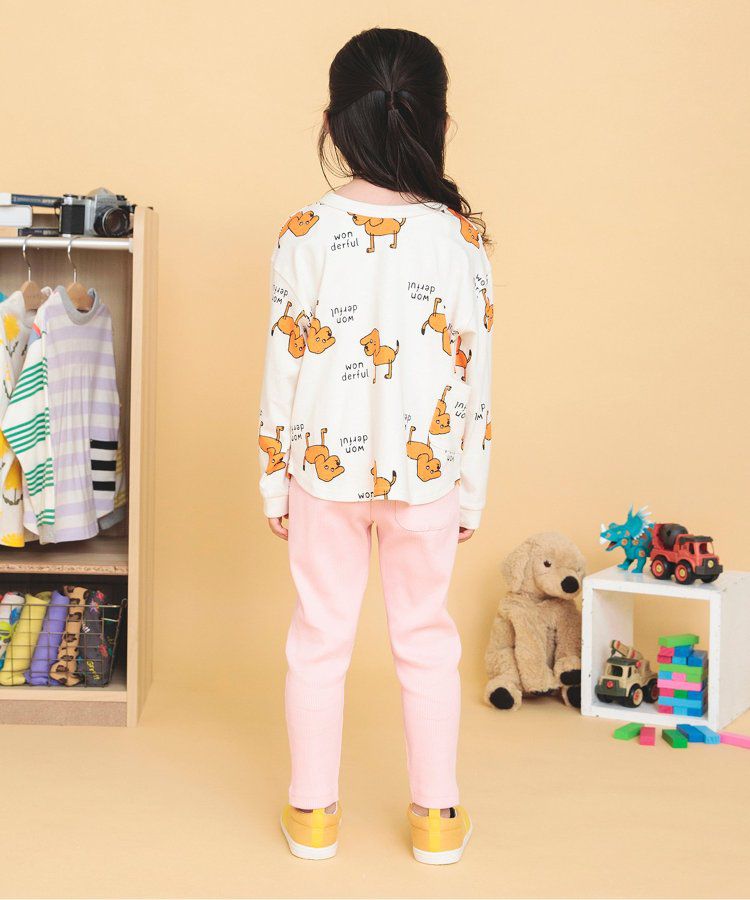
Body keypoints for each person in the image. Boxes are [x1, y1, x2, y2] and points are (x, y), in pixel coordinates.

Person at [258, 27, 493, 865]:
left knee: (318, 639)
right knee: (426, 640)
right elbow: (474, 375)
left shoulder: (302, 231)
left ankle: (312, 815)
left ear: (333, 122)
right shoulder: (460, 239)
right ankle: (437, 819)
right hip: (428, 482)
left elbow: (284, 364)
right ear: (438, 122)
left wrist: (275, 482)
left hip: (321, 479)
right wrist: (469, 488)